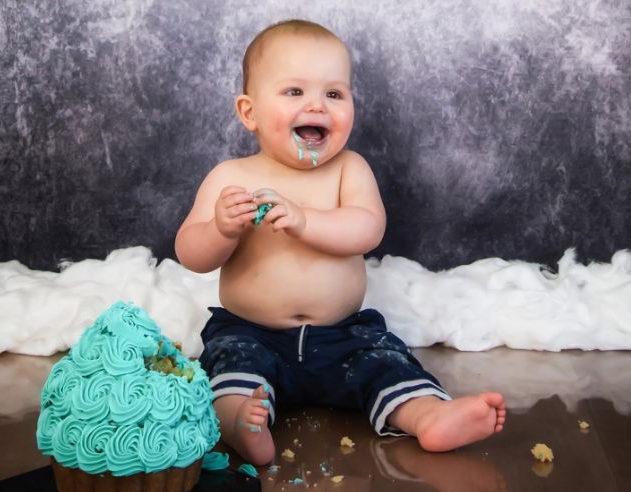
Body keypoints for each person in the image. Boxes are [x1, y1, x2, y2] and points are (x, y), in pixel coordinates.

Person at [175, 19, 505, 465]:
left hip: (344, 335)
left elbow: (367, 230)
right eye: (295, 92)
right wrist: (221, 229)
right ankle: (239, 420)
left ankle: (428, 416)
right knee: (230, 367)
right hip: (252, 332)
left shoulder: (349, 168)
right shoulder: (231, 178)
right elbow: (190, 254)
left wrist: (304, 219)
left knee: (386, 362)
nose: (317, 105)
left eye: (334, 94)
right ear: (249, 112)